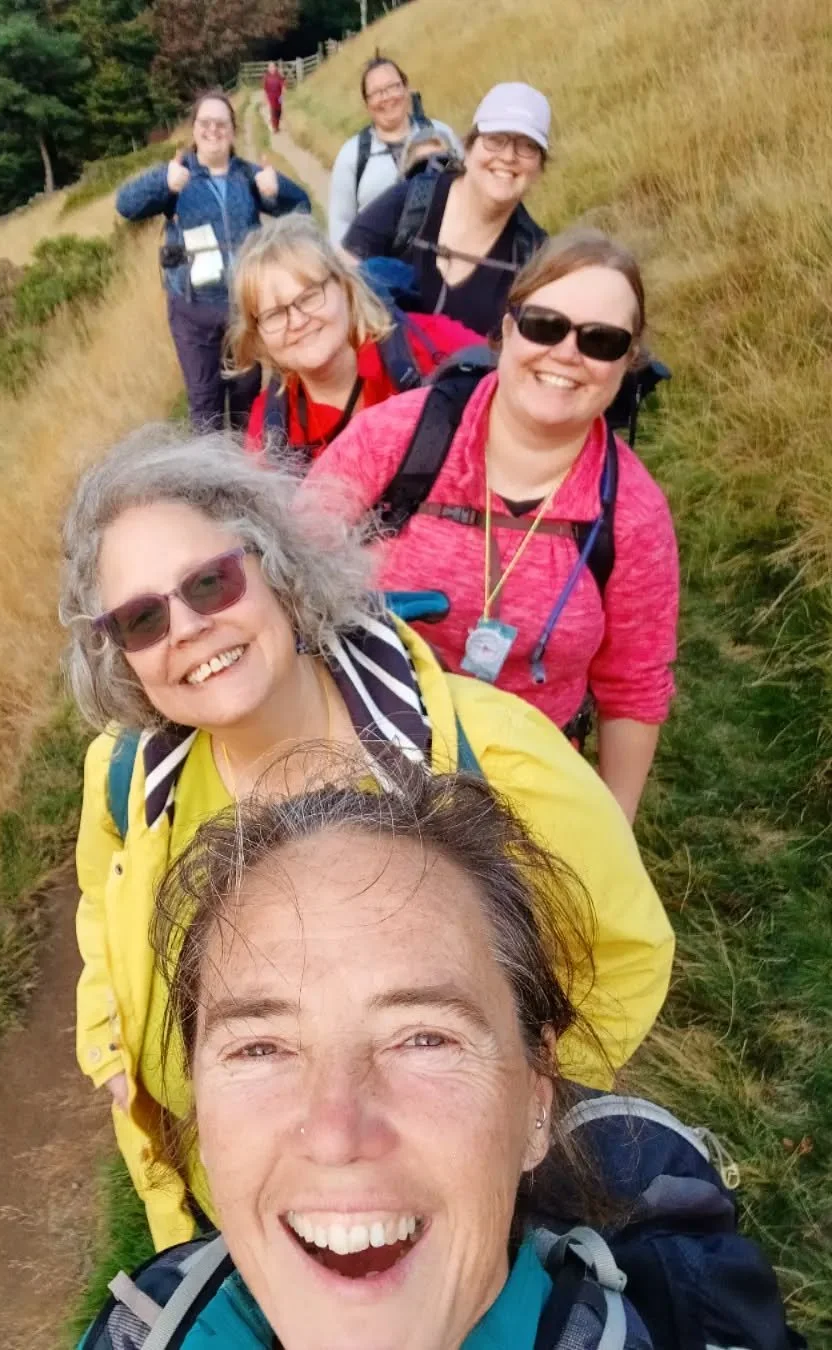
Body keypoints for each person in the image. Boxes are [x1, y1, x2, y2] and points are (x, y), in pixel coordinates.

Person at [60, 425, 675, 1247]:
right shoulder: (129, 786)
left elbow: (624, 952)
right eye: (140, 619)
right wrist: (108, 1046)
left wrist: (507, 1118)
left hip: (441, 1210)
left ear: (277, 571)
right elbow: (105, 912)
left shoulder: (491, 757)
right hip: (249, 1218)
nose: (187, 628)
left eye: (210, 582)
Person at [82, 770, 802, 1350]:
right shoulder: (142, 1326)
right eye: (260, 1047)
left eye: (424, 1038)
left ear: (536, 1101)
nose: (335, 1134)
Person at [305, 229, 680, 821]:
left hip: (527, 784)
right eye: (544, 325)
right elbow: (289, 571)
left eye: (602, 340)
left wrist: (613, 828)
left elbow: (633, 684)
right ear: (507, 329)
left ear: (627, 363)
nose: (566, 353)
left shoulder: (633, 514)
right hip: (365, 756)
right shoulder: (397, 437)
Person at [116, 90, 310, 433]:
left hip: (244, 311)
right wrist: (162, 181)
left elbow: (302, 207)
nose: (213, 130)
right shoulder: (178, 176)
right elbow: (126, 205)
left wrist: (275, 189)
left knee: (246, 399)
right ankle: (208, 481)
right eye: (205, 123)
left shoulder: (248, 177)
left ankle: (242, 475)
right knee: (204, 404)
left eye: (221, 123)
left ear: (232, 131)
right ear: (194, 130)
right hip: (192, 312)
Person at [229, 214, 479, 460]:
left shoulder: (428, 347)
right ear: (258, 336)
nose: (297, 321)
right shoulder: (269, 434)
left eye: (309, 297)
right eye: (274, 315)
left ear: (345, 286)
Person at [343, 81, 550, 337]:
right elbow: (343, 278)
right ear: (468, 146)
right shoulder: (413, 201)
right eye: (495, 139)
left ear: (539, 167)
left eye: (527, 146)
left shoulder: (536, 259)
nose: (508, 156)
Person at [327, 56, 457, 249]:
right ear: (366, 103)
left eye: (393, 87)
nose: (387, 97)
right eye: (377, 93)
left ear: (406, 88)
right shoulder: (352, 155)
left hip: (442, 263)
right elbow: (340, 223)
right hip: (377, 271)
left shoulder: (443, 136)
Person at [262, 60, 285, 132]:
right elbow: (264, 88)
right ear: (268, 68)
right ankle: (274, 127)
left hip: (279, 96)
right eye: (270, 67)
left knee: (279, 111)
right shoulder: (266, 77)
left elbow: (282, 84)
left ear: (275, 68)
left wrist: (283, 90)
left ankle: (277, 126)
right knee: (273, 110)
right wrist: (265, 97)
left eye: (273, 67)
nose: (272, 68)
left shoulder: (279, 75)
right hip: (271, 96)